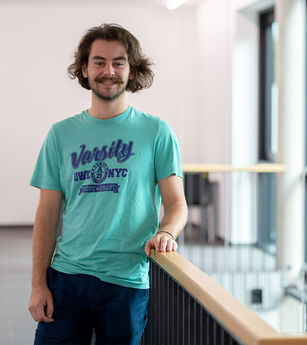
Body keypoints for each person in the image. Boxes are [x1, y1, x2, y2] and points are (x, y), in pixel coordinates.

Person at [28, 23, 188, 345]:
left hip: (126, 280)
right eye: (99, 62)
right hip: (67, 277)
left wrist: (166, 232)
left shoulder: (156, 132)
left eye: (119, 62)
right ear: (84, 70)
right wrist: (38, 283)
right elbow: (47, 214)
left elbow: (176, 204)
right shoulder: (60, 134)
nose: (109, 70)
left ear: (132, 71)